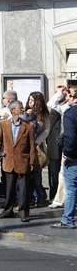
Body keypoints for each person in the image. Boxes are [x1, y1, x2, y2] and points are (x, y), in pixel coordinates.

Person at [0, 100, 36, 222]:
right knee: (9, 189)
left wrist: (32, 162)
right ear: (13, 110)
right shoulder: (3, 124)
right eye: (20, 108)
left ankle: (23, 212)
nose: (22, 109)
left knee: (23, 190)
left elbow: (32, 146)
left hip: (23, 162)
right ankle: (8, 211)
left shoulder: (29, 126)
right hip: (8, 162)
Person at [51, 89, 77, 229]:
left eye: (70, 96)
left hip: (74, 158)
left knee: (71, 189)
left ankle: (68, 219)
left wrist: (67, 154)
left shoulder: (70, 113)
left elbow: (70, 137)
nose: (68, 98)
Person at [24, 91, 51, 207]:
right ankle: (31, 198)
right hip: (26, 147)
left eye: (32, 100)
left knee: (36, 174)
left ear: (38, 102)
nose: (30, 102)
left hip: (37, 147)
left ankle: (41, 197)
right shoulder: (26, 113)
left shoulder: (44, 114)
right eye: (29, 100)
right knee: (28, 175)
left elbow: (46, 131)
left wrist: (36, 142)